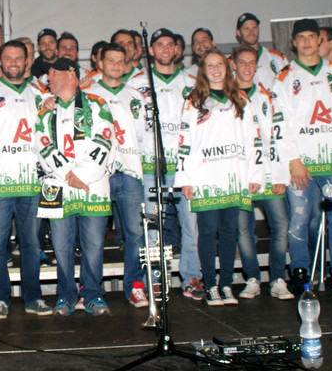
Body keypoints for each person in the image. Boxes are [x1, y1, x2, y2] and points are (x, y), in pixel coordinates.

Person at [272, 19, 332, 296]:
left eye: (311, 36)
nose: (306, 42)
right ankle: (300, 272)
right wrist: (293, 160)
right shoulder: (284, 78)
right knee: (299, 218)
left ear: (319, 40)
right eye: (301, 37)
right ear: (293, 42)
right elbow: (279, 122)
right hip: (301, 163)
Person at [0, 39, 49, 319]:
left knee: (31, 244)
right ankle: (0, 298)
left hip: (31, 184)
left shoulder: (39, 94)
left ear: (27, 61)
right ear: (0, 61)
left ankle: (33, 297)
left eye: (18, 58)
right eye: (8, 58)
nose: (13, 63)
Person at [176, 50, 264, 306]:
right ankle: (211, 285)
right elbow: (184, 141)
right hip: (205, 176)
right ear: (203, 71)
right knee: (206, 232)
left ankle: (226, 284)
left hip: (233, 176)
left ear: (227, 68)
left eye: (220, 65)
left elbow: (253, 139)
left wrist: (254, 173)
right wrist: (185, 178)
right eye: (210, 65)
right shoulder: (193, 101)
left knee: (229, 232)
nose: (215, 69)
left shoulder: (241, 99)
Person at [35, 58, 115, 316]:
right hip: (58, 184)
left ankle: (92, 295)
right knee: (61, 247)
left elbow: (105, 139)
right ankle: (65, 296)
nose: (48, 77)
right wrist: (68, 175)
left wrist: (82, 174)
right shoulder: (45, 110)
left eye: (52, 72)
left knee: (93, 246)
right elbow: (42, 144)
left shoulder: (97, 104)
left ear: (70, 74)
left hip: (92, 183)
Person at [128, 29, 202, 300]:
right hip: (151, 167)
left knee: (190, 226)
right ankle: (156, 280)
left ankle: (191, 277)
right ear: (151, 50)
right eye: (160, 45)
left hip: (184, 168)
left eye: (171, 44)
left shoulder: (192, 81)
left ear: (177, 49)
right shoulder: (137, 83)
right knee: (153, 227)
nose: (166, 49)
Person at [86, 43, 147, 307]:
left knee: (136, 234)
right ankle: (91, 290)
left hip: (129, 172)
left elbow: (144, 135)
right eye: (110, 60)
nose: (116, 65)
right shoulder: (87, 94)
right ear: (99, 63)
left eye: (121, 61)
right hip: (99, 174)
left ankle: (135, 286)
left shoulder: (135, 95)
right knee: (93, 237)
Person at [232, 44, 292, 300]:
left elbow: (279, 137)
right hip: (241, 176)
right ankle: (253, 279)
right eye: (242, 62)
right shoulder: (225, 98)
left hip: (269, 172)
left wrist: (281, 175)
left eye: (251, 63)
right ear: (233, 65)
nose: (247, 67)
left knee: (281, 225)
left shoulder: (268, 97)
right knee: (244, 231)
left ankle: (277, 278)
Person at [235, 12, 288, 91]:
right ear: (239, 32)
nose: (251, 32)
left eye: (254, 28)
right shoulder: (231, 62)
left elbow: (288, 86)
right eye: (247, 28)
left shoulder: (277, 58)